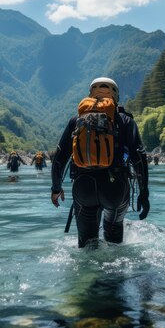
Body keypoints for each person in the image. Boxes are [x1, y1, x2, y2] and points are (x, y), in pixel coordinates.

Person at [50, 77, 150, 248]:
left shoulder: (76, 121)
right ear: (115, 95)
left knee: (88, 246)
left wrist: (56, 188)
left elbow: (59, 158)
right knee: (114, 238)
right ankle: (114, 273)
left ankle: (89, 274)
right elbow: (139, 157)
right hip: (115, 188)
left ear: (90, 94)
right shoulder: (125, 121)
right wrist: (144, 193)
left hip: (83, 187)